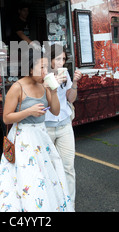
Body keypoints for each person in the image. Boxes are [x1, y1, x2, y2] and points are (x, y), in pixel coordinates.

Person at [0, 49, 74, 212]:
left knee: (46, 176)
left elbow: (56, 111)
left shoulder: (44, 85)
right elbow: (7, 118)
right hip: (23, 138)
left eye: (47, 68)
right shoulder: (17, 87)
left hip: (41, 137)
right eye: (41, 67)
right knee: (28, 178)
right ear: (30, 68)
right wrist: (29, 111)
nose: (46, 72)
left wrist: (54, 90)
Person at [44, 44, 83, 208]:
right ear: (49, 59)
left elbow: (71, 98)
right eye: (58, 59)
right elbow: (40, 101)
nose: (61, 63)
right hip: (46, 127)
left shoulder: (65, 73)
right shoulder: (41, 74)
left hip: (65, 124)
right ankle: (50, 202)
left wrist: (74, 82)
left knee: (68, 167)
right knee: (48, 168)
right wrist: (52, 83)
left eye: (64, 59)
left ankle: (69, 204)